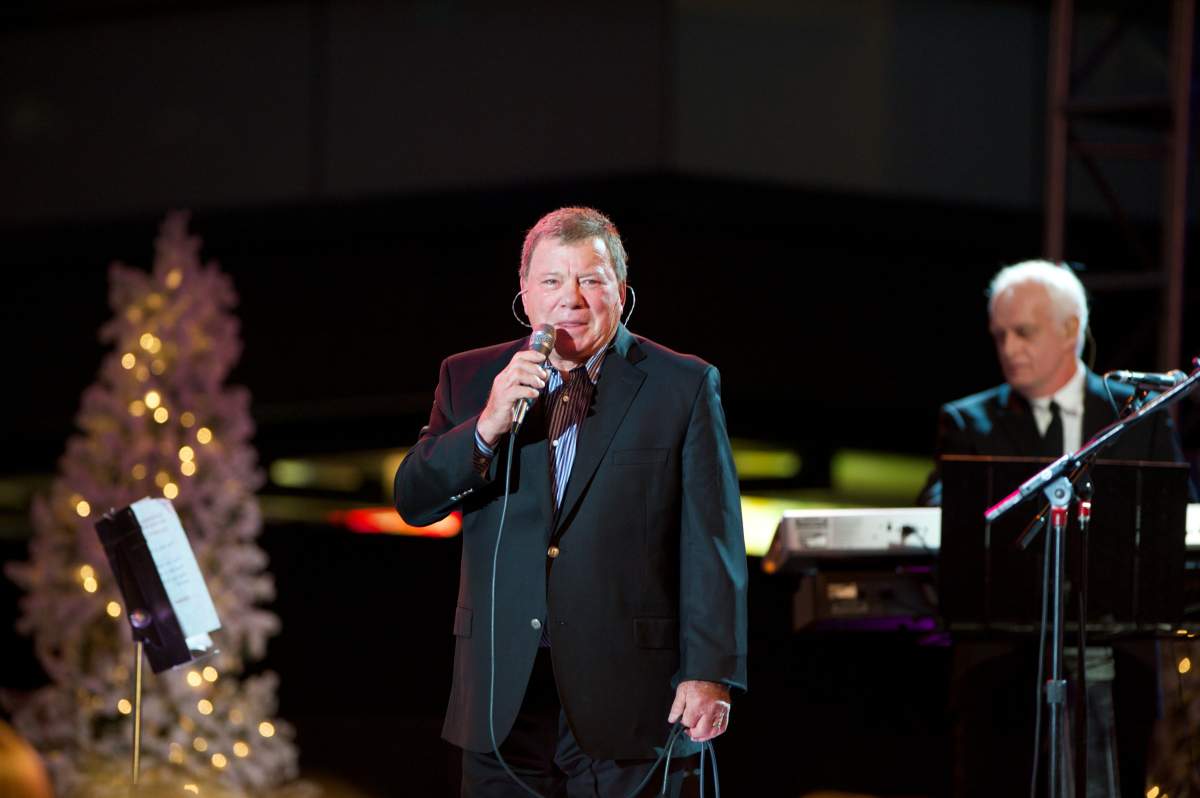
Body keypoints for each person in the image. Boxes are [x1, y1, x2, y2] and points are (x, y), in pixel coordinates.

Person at [394, 207, 747, 797]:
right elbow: (414, 500)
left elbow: (712, 543)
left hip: (630, 695)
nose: (571, 299)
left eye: (591, 280)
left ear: (622, 292)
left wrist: (711, 673)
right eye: (553, 281)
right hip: (501, 694)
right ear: (525, 293)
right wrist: (486, 427)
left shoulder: (682, 385)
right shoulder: (470, 377)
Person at [919, 259, 1189, 798]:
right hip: (999, 669)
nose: (1009, 348)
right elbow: (939, 512)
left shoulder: (1139, 416)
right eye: (1000, 335)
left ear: (1071, 329)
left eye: (1024, 332)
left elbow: (1179, 523)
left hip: (1117, 664)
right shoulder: (969, 421)